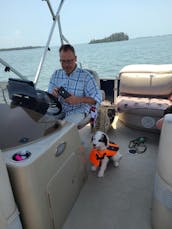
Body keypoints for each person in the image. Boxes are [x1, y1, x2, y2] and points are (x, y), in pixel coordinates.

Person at [48, 44, 102, 124]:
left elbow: (97, 98)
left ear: (75, 59)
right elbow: (48, 96)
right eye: (63, 61)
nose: (66, 65)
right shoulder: (56, 74)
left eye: (69, 61)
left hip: (78, 110)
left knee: (64, 128)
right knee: (42, 121)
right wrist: (53, 95)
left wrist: (78, 99)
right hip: (59, 108)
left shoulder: (86, 76)